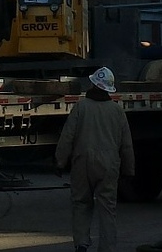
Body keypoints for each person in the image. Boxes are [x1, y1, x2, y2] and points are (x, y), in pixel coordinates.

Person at [56, 67, 134, 252]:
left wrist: (60, 161)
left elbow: (67, 136)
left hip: (82, 162)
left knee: (81, 203)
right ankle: (107, 247)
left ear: (92, 83)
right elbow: (126, 144)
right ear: (109, 88)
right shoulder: (117, 111)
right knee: (107, 207)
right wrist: (129, 170)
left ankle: (82, 243)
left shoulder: (81, 107)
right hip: (109, 165)